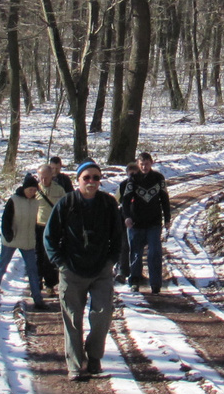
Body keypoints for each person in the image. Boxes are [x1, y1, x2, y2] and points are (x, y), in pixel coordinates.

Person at [44, 159, 126, 381]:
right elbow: (49, 236)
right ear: (78, 180)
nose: (91, 181)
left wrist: (111, 261)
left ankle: (94, 356)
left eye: (96, 178)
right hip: (71, 270)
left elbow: (118, 236)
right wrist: (60, 263)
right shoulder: (66, 203)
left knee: (102, 315)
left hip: (101, 271)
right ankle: (74, 365)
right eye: (86, 178)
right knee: (72, 319)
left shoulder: (108, 204)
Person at [0, 174, 44, 309]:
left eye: (34, 190)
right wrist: (8, 234)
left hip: (28, 241)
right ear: (25, 189)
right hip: (11, 239)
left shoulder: (35, 202)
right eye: (30, 190)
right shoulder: (13, 200)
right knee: (2, 267)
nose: (32, 192)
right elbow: (6, 219)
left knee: (32, 270)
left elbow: (35, 222)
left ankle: (37, 299)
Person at [119, 150, 171, 295]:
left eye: (147, 164)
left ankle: (155, 284)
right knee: (135, 254)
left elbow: (164, 199)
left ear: (151, 163)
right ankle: (134, 281)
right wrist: (127, 217)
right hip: (136, 223)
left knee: (154, 253)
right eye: (142, 164)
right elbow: (126, 200)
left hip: (154, 223)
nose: (144, 167)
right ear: (138, 164)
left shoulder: (158, 178)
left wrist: (167, 218)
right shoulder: (133, 180)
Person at [33, 162, 66, 302]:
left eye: (46, 177)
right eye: (41, 177)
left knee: (50, 257)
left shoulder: (59, 190)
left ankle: (50, 284)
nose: (44, 180)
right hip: (37, 226)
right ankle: (37, 282)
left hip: (52, 227)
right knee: (37, 255)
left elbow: (65, 206)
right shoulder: (34, 189)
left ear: (52, 176)